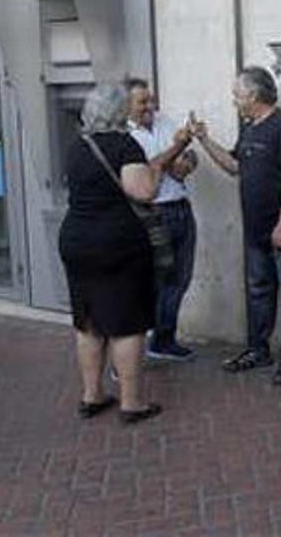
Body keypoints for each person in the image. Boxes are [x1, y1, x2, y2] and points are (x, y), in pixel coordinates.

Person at [58, 83, 186, 423]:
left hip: (76, 239)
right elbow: (143, 191)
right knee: (127, 324)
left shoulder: (77, 146)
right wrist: (156, 170)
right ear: (119, 112)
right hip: (116, 242)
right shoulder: (124, 145)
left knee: (88, 322)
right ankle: (132, 403)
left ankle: (92, 395)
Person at [191, 66, 281, 386]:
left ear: (254, 95)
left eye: (237, 95)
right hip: (256, 230)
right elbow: (235, 166)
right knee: (259, 290)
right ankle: (258, 350)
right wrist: (204, 140)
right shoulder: (249, 128)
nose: (235, 101)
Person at [125, 78, 199, 362]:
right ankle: (132, 348)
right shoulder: (125, 136)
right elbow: (150, 168)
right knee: (152, 282)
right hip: (152, 214)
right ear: (126, 105)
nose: (150, 106)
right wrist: (177, 149)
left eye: (151, 99)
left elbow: (189, 154)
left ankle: (164, 340)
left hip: (180, 207)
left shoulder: (165, 122)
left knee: (180, 278)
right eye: (143, 102)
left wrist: (187, 162)